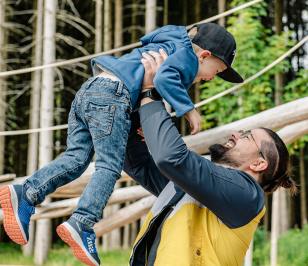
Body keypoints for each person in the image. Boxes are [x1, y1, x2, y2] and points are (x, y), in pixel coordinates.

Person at [0, 23, 243, 266]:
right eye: (218, 70)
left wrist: (139, 120)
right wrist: (188, 110)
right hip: (115, 96)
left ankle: (27, 193)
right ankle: (82, 221)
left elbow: (141, 73)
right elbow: (165, 78)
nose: (213, 77)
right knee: (108, 167)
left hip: (92, 89)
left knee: (75, 158)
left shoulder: (169, 43)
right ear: (204, 55)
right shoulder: (187, 59)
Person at [123, 51, 297, 265]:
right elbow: (138, 164)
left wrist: (150, 92)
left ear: (259, 163)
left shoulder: (247, 194)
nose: (236, 134)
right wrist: (129, 112)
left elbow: (170, 157)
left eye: (247, 136)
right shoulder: (194, 187)